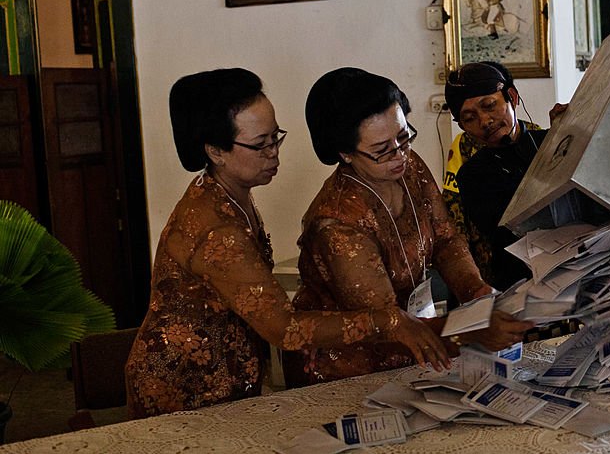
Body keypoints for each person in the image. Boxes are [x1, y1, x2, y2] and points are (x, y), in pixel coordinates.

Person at [124, 69, 448, 418]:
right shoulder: (215, 228)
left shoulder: (228, 194)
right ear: (216, 150)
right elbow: (284, 328)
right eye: (260, 145)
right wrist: (390, 322)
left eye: (275, 137)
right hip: (186, 383)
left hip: (232, 370)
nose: (274, 154)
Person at [284, 68, 532, 385]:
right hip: (347, 366)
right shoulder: (336, 223)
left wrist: (476, 292)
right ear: (345, 153)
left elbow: (445, 240)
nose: (400, 155)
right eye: (382, 150)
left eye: (403, 137)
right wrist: (473, 329)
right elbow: (387, 325)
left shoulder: (408, 167)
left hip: (415, 337)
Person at [444, 62, 550, 291]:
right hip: (521, 283)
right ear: (462, 125)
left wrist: (572, 130)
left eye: (490, 105)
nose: (485, 121)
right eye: (470, 118)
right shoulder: (472, 175)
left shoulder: (550, 140)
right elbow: (516, 229)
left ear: (512, 97)